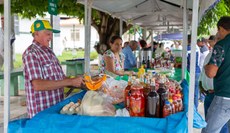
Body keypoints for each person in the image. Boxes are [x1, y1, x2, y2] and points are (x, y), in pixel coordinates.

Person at [23, 19, 85, 118]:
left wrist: (79, 81)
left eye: (51, 34)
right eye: (48, 33)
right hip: (41, 113)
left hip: (55, 108)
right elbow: (38, 85)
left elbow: (61, 78)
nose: (51, 37)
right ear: (36, 34)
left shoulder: (49, 52)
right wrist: (70, 82)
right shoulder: (31, 53)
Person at [202, 16, 230, 133]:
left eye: (218, 30)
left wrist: (206, 66)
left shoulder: (221, 45)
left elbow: (211, 73)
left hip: (225, 97)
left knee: (209, 131)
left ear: (221, 28)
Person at [187, 34, 201, 110]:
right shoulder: (197, 47)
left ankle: (191, 109)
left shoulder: (188, 48)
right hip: (197, 71)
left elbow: (186, 61)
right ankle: (195, 109)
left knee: (189, 91)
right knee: (195, 91)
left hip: (190, 72)